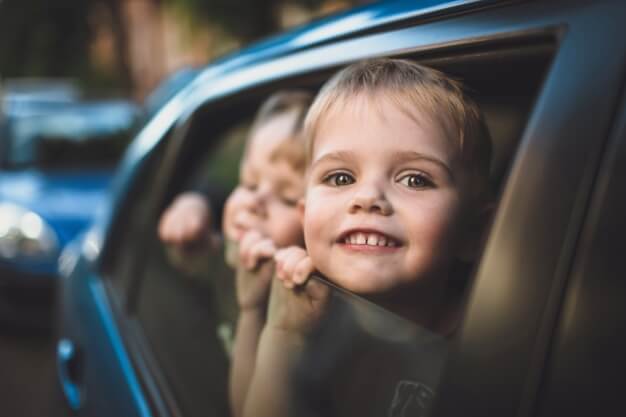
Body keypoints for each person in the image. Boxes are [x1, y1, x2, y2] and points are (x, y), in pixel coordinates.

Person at [242, 58, 493, 417]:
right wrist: (283, 336)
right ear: (304, 216)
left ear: (474, 231)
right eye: (341, 178)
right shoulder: (304, 315)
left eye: (415, 179)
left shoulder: (493, 349)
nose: (368, 197)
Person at [157, 90, 313, 417]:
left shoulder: (311, 312)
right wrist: (192, 203)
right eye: (250, 183)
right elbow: (182, 252)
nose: (254, 201)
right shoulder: (223, 260)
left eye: (287, 197)